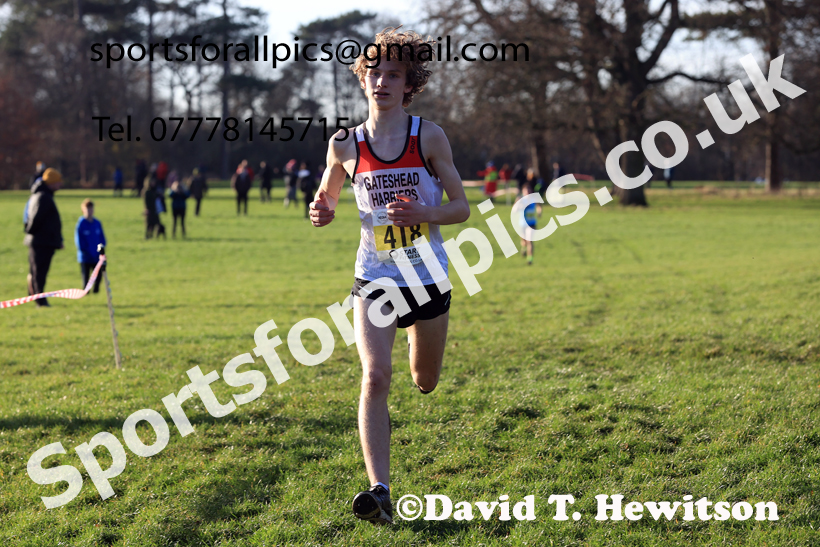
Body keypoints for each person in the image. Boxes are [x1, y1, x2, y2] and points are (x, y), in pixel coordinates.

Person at [309, 27, 470, 525]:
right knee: (376, 375)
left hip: (426, 277)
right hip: (373, 277)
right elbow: (328, 196)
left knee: (424, 381)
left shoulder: (430, 137)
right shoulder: (344, 144)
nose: (382, 81)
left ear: (408, 83)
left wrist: (425, 210)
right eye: (374, 72)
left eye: (393, 74)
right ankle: (379, 490)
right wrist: (322, 209)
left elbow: (461, 207)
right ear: (363, 79)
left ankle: (422, 369)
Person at [23, 168, 64, 307]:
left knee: (36, 271)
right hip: (41, 242)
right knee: (39, 272)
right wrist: (31, 232)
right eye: (58, 182)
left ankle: (34, 296)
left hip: (43, 241)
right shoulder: (43, 197)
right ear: (51, 182)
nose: (60, 185)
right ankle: (40, 300)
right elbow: (35, 219)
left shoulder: (41, 195)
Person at [74, 199, 106, 293]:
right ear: (83, 210)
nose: (89, 211)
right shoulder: (81, 224)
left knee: (98, 276)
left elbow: (102, 239)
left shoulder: (97, 223)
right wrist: (87, 251)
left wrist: (100, 252)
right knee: (86, 278)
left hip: (97, 257)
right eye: (87, 209)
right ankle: (86, 293)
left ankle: (96, 292)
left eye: (91, 209)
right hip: (85, 257)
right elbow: (80, 242)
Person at [514, 182, 542, 265]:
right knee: (524, 241)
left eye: (529, 190)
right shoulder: (520, 199)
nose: (528, 192)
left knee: (530, 240)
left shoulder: (534, 199)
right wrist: (519, 205)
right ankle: (523, 248)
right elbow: (514, 210)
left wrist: (539, 212)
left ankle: (530, 259)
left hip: (531, 223)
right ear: (523, 191)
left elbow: (538, 206)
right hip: (522, 223)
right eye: (526, 190)